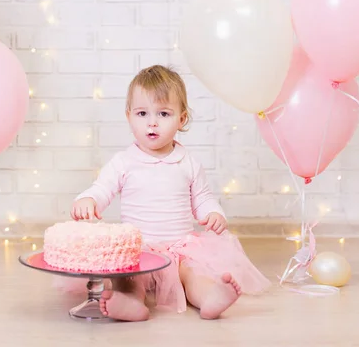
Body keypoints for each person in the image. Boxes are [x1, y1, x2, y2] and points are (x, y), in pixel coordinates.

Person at [69, 65, 271, 321]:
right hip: (138, 248)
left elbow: (203, 198)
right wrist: (88, 199)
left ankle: (210, 297)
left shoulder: (187, 162)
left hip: (181, 247)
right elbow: (102, 188)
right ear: (129, 116)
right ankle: (130, 303)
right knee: (129, 278)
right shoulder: (123, 162)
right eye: (142, 113)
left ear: (182, 119)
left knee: (194, 275)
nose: (152, 122)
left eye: (163, 113)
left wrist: (213, 212)